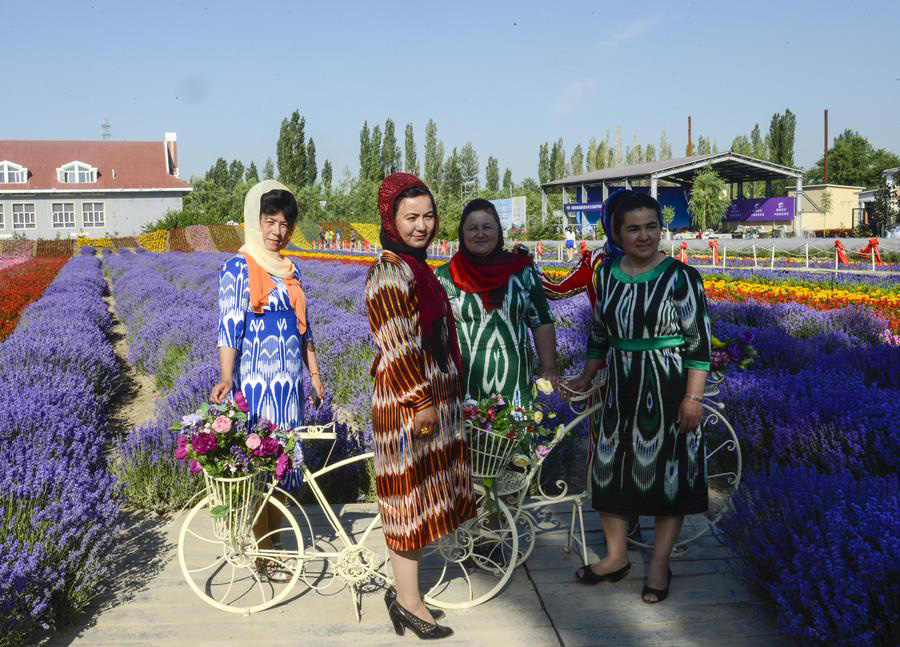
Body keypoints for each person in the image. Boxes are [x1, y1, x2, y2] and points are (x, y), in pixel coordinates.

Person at [565, 191, 711, 604]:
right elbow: (599, 333)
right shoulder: (607, 275)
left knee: (668, 475)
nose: (644, 236)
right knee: (608, 471)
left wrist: (693, 398)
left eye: (651, 227)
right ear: (617, 234)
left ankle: (659, 565)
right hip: (621, 388)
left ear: (661, 230)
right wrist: (587, 374)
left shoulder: (682, 277)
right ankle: (616, 558)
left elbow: (698, 344)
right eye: (633, 228)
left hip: (668, 388)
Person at [365, 173, 476, 640]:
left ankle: (407, 593)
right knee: (407, 500)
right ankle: (408, 603)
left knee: (423, 497)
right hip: (408, 405)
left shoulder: (416, 266)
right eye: (411, 217)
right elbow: (397, 345)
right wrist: (422, 401)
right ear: (390, 220)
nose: (422, 225)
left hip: (428, 399)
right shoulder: (390, 271)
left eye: (428, 216)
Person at [211, 180, 325, 577]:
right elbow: (229, 325)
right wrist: (226, 377)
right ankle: (264, 550)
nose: (278, 231)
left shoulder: (291, 270)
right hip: (258, 383)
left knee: (285, 468)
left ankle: (275, 543)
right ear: (254, 221)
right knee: (263, 468)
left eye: (285, 224)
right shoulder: (238, 267)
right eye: (270, 221)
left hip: (289, 384)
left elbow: (304, 328)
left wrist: (314, 374)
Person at [436, 198, 557, 408]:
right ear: (462, 233)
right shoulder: (445, 276)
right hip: (464, 390)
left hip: (516, 387)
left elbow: (541, 319)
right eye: (473, 228)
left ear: (498, 232)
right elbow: (435, 332)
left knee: (518, 430)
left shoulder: (522, 270)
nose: (480, 234)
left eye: (487, 227)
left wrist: (549, 366)